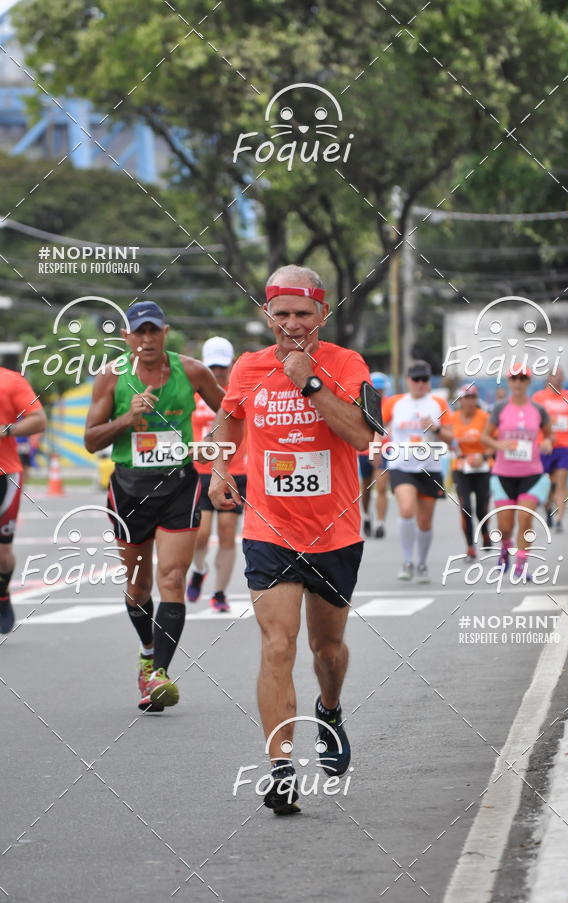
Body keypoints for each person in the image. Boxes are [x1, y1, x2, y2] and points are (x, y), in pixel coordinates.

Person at [208, 264, 372, 815]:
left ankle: (329, 709)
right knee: (276, 645)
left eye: (304, 314)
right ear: (267, 315)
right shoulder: (248, 367)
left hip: (336, 531)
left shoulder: (347, 364)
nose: (293, 324)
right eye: (283, 315)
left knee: (326, 649)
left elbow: (361, 436)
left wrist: (310, 379)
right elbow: (228, 421)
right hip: (269, 529)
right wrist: (221, 468)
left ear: (322, 314)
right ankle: (280, 767)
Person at [84, 301, 224, 711]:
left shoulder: (192, 371)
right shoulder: (111, 377)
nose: (146, 339)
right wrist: (126, 419)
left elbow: (233, 412)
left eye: (153, 331)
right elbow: (91, 441)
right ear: (127, 337)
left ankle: (160, 674)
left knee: (172, 577)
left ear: (166, 332)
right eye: (138, 332)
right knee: (138, 586)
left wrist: (219, 458)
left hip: (179, 484)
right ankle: (148, 652)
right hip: (129, 487)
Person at [187, 336, 247, 612]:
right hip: (201, 471)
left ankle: (220, 593)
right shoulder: (194, 393)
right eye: (212, 366)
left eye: (222, 366)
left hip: (235, 470)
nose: (218, 372)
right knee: (200, 534)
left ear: (232, 364)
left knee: (226, 533)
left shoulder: (241, 391)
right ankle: (199, 569)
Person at [382, 361, 453, 583]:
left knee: (425, 521)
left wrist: (436, 428)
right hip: (401, 465)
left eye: (425, 380)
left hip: (429, 468)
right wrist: (376, 448)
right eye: (416, 380)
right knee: (406, 509)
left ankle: (421, 562)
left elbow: (452, 438)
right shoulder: (395, 402)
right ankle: (407, 561)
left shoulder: (438, 403)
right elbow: (376, 427)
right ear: (408, 381)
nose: (421, 384)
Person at [482, 364, 552, 578]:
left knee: (525, 517)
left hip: (531, 474)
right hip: (503, 474)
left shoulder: (538, 410)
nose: (518, 383)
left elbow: (549, 435)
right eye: (515, 379)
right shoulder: (500, 408)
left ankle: (521, 564)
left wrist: (547, 443)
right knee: (505, 524)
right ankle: (505, 548)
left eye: (523, 379)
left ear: (529, 382)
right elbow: (484, 436)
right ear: (509, 382)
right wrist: (499, 445)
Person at [0, 368, 47, 633]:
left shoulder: (11, 381)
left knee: (2, 553)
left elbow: (39, 420)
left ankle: (3, 593)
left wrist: (5, 430)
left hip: (4, 475)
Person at [532, 367, 568, 533]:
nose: (558, 378)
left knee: (561, 483)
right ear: (548, 378)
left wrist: (566, 421)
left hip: (565, 446)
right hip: (545, 446)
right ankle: (548, 510)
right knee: (547, 484)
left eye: (560, 375)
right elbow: (533, 419)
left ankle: (559, 519)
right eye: (554, 375)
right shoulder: (539, 397)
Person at [450, 385, 492, 558]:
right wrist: (457, 452)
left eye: (473, 398)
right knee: (465, 507)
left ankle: (485, 533)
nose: (469, 401)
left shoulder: (485, 418)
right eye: (466, 398)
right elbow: (447, 440)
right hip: (461, 468)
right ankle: (470, 546)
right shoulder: (452, 418)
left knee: (481, 508)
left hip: (482, 467)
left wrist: (482, 456)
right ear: (459, 401)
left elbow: (495, 444)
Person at [358, 371, 389, 538]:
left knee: (382, 487)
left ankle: (380, 523)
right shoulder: (361, 404)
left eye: (382, 389)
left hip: (384, 450)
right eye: (376, 389)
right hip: (364, 450)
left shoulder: (389, 404)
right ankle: (367, 516)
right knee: (367, 487)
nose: (379, 392)